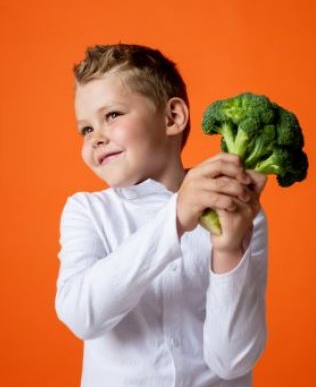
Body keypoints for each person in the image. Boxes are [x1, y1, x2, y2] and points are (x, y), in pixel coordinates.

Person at [55, 43, 269, 387]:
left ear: (172, 117)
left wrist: (229, 250)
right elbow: (83, 316)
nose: (96, 138)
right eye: (86, 129)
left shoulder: (238, 210)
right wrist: (176, 216)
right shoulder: (87, 211)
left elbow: (233, 361)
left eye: (111, 115)